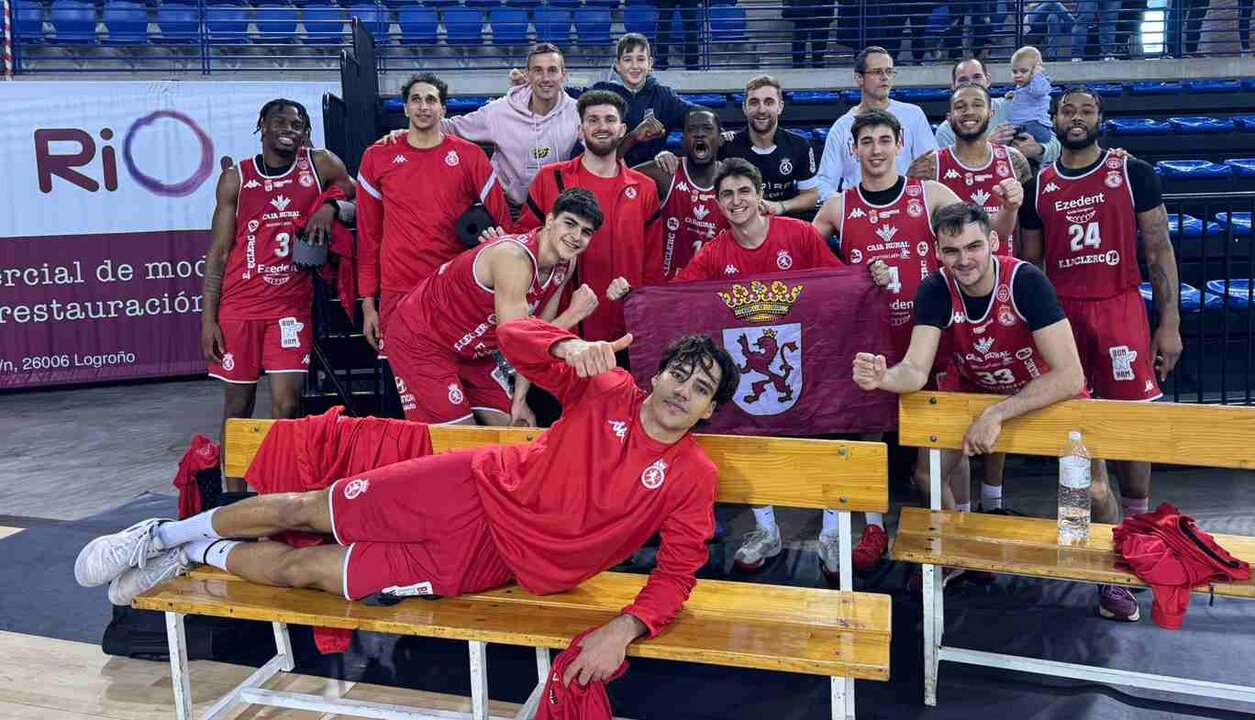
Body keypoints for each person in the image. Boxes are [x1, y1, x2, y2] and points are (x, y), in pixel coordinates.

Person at [74, 316, 741, 687]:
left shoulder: (689, 478)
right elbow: (510, 339)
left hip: (486, 562)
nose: (683, 388)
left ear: (710, 409)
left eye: (700, 386)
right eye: (678, 372)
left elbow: (675, 575)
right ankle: (163, 535)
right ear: (656, 374)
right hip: (469, 484)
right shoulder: (606, 390)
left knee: (307, 571)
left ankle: (202, 552)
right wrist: (566, 343)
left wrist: (620, 629)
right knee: (305, 508)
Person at [1019, 86, 1182, 622]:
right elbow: (1032, 268)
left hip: (1120, 311)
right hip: (1062, 317)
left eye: (1086, 110)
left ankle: (1140, 538)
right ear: (1054, 119)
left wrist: (1170, 324)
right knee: (1076, 440)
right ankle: (1087, 549)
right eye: (1068, 110)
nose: (1077, 118)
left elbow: (1158, 248)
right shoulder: (1038, 183)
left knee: (1130, 433)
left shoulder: (1133, 172)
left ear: (1100, 119)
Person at [810, 110, 982, 576]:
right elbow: (805, 265)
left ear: (899, 143)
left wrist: (1008, 204)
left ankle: (960, 532)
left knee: (948, 440)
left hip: (931, 337)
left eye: (884, 140)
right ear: (853, 148)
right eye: (866, 142)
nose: (876, 150)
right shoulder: (838, 207)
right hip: (872, 341)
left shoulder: (931, 195)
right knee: (868, 435)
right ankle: (873, 527)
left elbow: (978, 240)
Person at [851, 202, 1086, 511]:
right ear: (937, 252)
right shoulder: (935, 289)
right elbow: (915, 369)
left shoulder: (1026, 281)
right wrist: (884, 377)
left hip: (1039, 391)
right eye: (951, 251)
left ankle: (1119, 548)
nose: (963, 260)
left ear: (992, 242)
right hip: (976, 387)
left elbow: (1070, 376)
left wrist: (997, 413)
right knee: (929, 477)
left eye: (973, 246)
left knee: (1091, 491)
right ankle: (957, 556)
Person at [201, 99, 355, 492]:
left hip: (290, 307)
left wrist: (331, 208)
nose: (289, 128)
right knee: (238, 406)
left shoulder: (320, 165)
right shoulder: (238, 177)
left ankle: (279, 491)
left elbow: (355, 196)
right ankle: (232, 496)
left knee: (287, 405)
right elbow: (218, 252)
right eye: (279, 122)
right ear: (262, 127)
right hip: (239, 308)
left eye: (297, 124)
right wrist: (208, 320)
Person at [385, 189, 604, 427]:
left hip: (472, 352)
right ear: (550, 221)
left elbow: (540, 336)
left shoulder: (565, 264)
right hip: (421, 339)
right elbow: (519, 341)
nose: (576, 236)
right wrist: (573, 314)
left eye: (586, 232)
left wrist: (520, 399)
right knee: (460, 443)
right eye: (569, 224)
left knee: (519, 427)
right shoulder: (513, 258)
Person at [910, 82, 1031, 511]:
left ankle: (993, 501)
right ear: (948, 115)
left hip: (1005, 292)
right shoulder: (930, 165)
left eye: (977, 104)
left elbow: (1016, 229)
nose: (968, 111)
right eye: (959, 105)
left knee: (1002, 389)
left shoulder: (1013, 161)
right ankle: (961, 514)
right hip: (955, 295)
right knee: (959, 397)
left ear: (990, 111)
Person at [356, 73, 513, 350]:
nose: (423, 107)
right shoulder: (377, 156)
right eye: (415, 100)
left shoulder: (470, 155)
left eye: (431, 100)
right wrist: (368, 303)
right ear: (405, 108)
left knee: (452, 374)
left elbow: (502, 226)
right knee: (401, 378)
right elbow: (368, 236)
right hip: (399, 286)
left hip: (453, 285)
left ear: (443, 109)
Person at [515, 90, 665, 345]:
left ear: (622, 129)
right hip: (563, 324)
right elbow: (525, 246)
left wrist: (645, 312)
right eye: (593, 120)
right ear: (580, 131)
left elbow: (653, 262)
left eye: (609, 119)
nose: (602, 127)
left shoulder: (645, 187)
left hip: (625, 325)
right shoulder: (550, 179)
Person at [435, 44, 580, 215]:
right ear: (528, 75)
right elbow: (450, 127)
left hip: (555, 210)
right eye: (538, 70)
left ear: (563, 75)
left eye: (553, 70)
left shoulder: (578, 113)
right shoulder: (499, 111)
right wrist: (407, 134)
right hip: (508, 209)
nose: (546, 78)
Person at [655, 75, 819, 218]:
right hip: (734, 227)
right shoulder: (727, 145)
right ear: (744, 107)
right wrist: (663, 155)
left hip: (782, 225)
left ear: (780, 107)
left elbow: (811, 196)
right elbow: (690, 167)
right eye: (754, 102)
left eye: (768, 102)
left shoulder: (799, 145)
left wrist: (781, 206)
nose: (761, 109)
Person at [659, 158, 843, 285]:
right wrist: (632, 294)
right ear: (718, 203)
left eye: (744, 191)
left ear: (759, 195)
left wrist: (870, 274)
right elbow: (677, 293)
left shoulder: (801, 234)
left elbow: (839, 280)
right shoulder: (711, 254)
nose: (736, 201)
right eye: (727, 194)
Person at [816, 46, 939, 203]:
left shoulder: (913, 115)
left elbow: (932, 165)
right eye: (877, 72)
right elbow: (824, 183)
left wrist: (911, 181)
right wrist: (844, 207)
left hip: (907, 205)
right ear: (859, 78)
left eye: (889, 71)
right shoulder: (842, 127)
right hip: (859, 211)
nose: (885, 77)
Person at [632, 109, 728, 279]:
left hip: (712, 289)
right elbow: (613, 177)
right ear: (682, 140)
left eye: (707, 129)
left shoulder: (731, 180)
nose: (699, 134)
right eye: (692, 130)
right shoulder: (666, 172)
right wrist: (632, 138)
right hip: (668, 287)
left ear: (720, 139)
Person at [930, 58, 1062, 169]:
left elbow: (1056, 145)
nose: (970, 83)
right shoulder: (946, 130)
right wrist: (986, 147)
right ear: (953, 86)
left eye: (977, 77)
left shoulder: (1014, 106)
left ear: (987, 80)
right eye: (963, 79)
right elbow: (949, 172)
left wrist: (1038, 150)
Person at [594, 33, 699, 168]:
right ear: (617, 65)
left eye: (640, 59)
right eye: (627, 60)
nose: (635, 66)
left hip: (651, 177)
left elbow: (697, 115)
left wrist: (720, 130)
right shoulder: (600, 93)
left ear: (650, 64)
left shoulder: (664, 96)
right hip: (606, 173)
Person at [1005, 46, 1054, 144]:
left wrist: (1037, 74)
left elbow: (1037, 91)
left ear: (1035, 70)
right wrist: (1014, 94)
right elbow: (1027, 95)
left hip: (1035, 126)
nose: (1018, 75)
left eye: (1023, 71)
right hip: (1021, 124)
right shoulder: (1022, 86)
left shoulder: (1040, 82)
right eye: (1014, 71)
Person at [783, 0, 835, 68]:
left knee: (801, 37)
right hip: (817, 11)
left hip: (802, 10)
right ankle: (815, 61)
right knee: (817, 38)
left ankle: (799, 62)